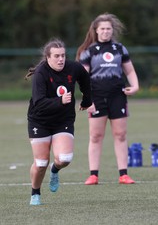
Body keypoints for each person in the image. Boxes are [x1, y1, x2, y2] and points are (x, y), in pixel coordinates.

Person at [26, 38, 94, 205]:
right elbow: (39, 102)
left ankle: (55, 170)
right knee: (41, 162)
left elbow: (86, 80)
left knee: (64, 158)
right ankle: (35, 193)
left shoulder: (74, 68)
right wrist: (60, 101)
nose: (60, 59)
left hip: (63, 119)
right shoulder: (41, 73)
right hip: (39, 120)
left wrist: (87, 101)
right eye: (56, 56)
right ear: (48, 57)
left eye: (63, 55)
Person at [76, 13, 139, 185]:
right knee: (96, 136)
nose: (105, 31)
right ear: (96, 31)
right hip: (96, 97)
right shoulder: (89, 52)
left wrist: (135, 86)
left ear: (112, 30)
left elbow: (130, 71)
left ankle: (123, 174)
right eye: (102, 29)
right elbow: (83, 78)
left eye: (108, 29)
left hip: (117, 96)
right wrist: (87, 99)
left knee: (120, 134)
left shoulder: (120, 49)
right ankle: (93, 175)